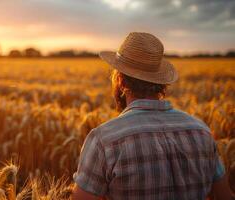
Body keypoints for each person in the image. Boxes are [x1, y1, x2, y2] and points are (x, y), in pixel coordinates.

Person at [72, 32, 233, 200]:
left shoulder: (104, 140)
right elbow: (225, 196)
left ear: (120, 80)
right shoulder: (202, 132)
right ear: (161, 82)